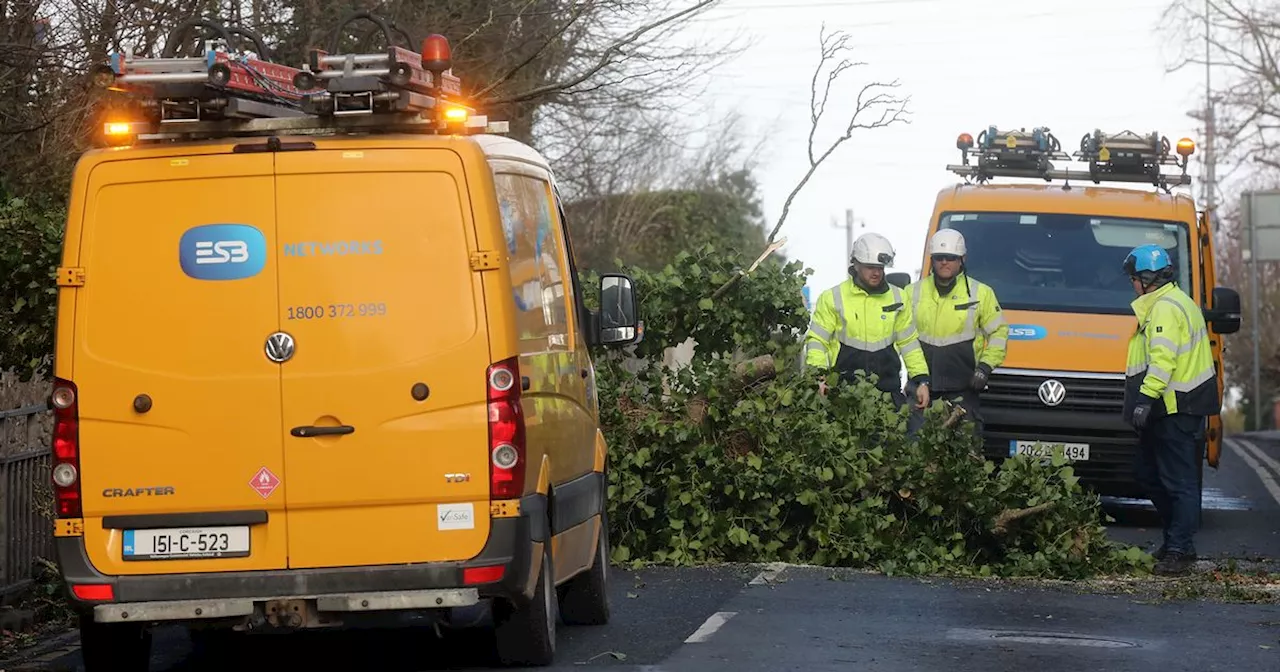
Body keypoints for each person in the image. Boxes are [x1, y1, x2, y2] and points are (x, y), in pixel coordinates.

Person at [1121, 243, 1219, 576]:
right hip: (1173, 406)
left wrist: (1144, 400)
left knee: (1179, 483)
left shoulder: (1164, 308)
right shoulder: (1174, 302)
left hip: (1175, 407)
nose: (1132, 284)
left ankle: (1179, 548)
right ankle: (1177, 541)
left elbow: (1163, 360)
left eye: (1134, 278)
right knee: (1148, 474)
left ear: (1148, 278)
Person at [804, 232, 930, 416]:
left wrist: (921, 381)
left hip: (888, 392)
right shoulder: (832, 298)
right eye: (870, 267)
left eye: (880, 267)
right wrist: (818, 375)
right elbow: (817, 341)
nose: (877, 272)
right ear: (855, 264)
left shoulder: (898, 297)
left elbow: (909, 343)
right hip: (844, 393)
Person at [906, 229, 1007, 434]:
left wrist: (985, 367)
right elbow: (900, 336)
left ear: (962, 259)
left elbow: (999, 332)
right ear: (932, 260)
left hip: (964, 390)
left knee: (965, 456)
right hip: (921, 387)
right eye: (939, 257)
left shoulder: (981, 294)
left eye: (951, 258)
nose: (945, 262)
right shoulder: (912, 293)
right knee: (914, 455)